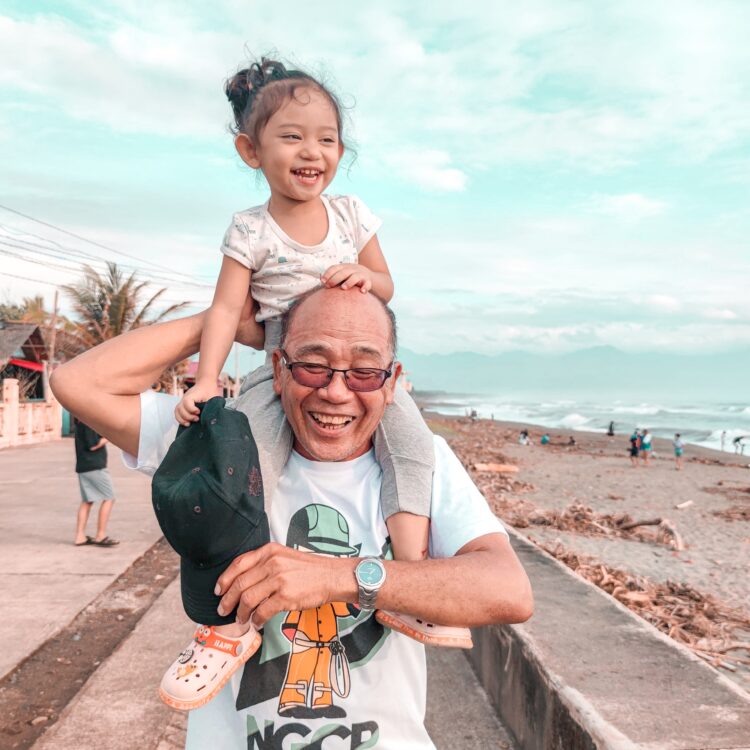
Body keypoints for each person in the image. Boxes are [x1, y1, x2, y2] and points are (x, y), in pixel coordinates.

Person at [50, 286, 533, 748]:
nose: (336, 392)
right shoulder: (216, 446)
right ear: (278, 369)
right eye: (313, 366)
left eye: (364, 371)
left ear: (393, 382)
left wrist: (345, 576)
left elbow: (507, 590)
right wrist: (223, 322)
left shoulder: (425, 463)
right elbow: (77, 382)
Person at [154, 57, 449, 701]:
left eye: (326, 138)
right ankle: (224, 624)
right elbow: (227, 311)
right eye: (291, 136)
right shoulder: (250, 229)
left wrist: (365, 280)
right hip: (281, 368)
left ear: (341, 150)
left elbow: (388, 283)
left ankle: (411, 585)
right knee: (238, 470)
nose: (311, 150)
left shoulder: (350, 215)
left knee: (412, 447)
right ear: (250, 150)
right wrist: (206, 384)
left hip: (352, 367)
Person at [73, 419, 119, 547]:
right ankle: (100, 535)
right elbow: (93, 445)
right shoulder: (88, 423)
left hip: (84, 466)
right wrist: (110, 437)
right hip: (94, 466)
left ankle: (80, 536)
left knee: (87, 501)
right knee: (109, 498)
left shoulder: (80, 423)